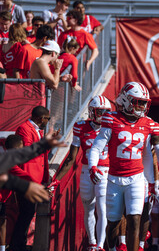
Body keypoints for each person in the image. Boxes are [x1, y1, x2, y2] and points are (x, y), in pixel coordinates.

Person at [88, 82, 159, 251]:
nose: (143, 106)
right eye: (139, 101)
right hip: (114, 178)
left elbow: (148, 156)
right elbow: (96, 147)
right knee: (113, 222)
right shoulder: (111, 119)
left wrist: (153, 181)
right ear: (126, 100)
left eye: (144, 102)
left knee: (134, 219)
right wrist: (92, 166)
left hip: (136, 178)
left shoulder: (149, 123)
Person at [53, 95, 111, 251]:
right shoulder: (80, 127)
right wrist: (56, 180)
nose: (103, 116)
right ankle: (92, 243)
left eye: (106, 112)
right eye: (100, 112)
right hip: (86, 171)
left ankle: (100, 245)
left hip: (105, 171)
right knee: (89, 208)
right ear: (92, 112)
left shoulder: (112, 127)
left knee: (102, 208)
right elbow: (71, 158)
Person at [8, 106, 53, 251]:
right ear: (41, 118)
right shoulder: (24, 128)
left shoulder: (37, 130)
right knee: (25, 213)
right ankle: (16, 245)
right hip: (27, 180)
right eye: (47, 118)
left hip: (35, 178)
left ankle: (19, 244)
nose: (48, 121)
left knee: (27, 214)